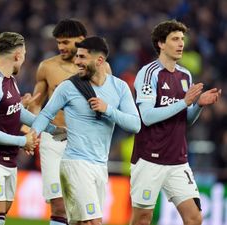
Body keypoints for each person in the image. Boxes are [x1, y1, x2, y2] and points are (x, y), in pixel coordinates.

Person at [32, 36, 141, 225]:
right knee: (93, 222)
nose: (76, 62)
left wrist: (108, 110)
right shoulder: (68, 87)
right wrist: (31, 136)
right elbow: (45, 114)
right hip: (75, 163)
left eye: (82, 57)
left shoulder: (120, 87)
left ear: (99, 61)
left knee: (82, 223)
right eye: (77, 57)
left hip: (100, 165)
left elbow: (135, 125)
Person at [130, 20, 221, 225]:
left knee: (194, 218)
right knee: (142, 220)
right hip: (149, 158)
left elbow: (185, 118)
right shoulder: (148, 73)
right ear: (161, 44)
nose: (181, 44)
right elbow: (147, 116)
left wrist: (198, 105)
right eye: (175, 39)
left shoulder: (185, 75)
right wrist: (184, 102)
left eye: (182, 39)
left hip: (177, 160)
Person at [0, 31, 64, 225]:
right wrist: (23, 141)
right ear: (17, 55)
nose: (23, 61)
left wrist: (51, 129)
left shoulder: (10, 81)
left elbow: (18, 113)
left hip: (8, 157)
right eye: (24, 56)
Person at [26, 19, 111, 225]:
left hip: (83, 142)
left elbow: (108, 104)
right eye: (58, 43)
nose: (61, 47)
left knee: (82, 208)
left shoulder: (102, 68)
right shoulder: (47, 67)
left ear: (81, 40)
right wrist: (30, 124)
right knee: (58, 205)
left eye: (66, 42)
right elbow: (38, 104)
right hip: (54, 138)